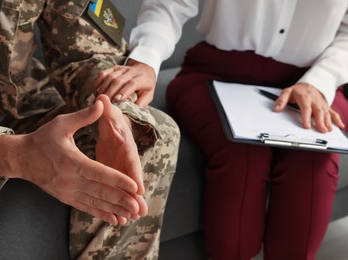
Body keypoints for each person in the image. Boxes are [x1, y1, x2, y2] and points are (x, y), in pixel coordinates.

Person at [97, 0, 348, 259]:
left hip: (315, 83)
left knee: (313, 158)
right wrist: (145, 60)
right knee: (242, 157)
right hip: (216, 72)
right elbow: (170, 4)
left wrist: (320, 81)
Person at [0, 0, 180, 259]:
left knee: (149, 135)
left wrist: (115, 112)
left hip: (20, 107)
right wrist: (14, 156)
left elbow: (84, 51)